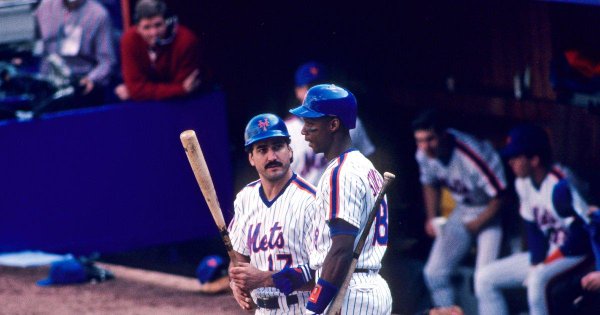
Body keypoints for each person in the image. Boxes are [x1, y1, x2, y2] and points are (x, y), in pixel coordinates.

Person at [288, 84, 392, 314]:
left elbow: (341, 249)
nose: (304, 131)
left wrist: (314, 307)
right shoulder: (366, 167)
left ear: (333, 125)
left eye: (311, 124)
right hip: (368, 286)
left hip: (349, 290)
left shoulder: (340, 173)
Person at [474, 124, 591, 315]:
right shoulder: (523, 183)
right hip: (553, 250)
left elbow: (581, 236)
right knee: (484, 277)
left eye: (516, 157)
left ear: (535, 159)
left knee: (536, 281)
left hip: (578, 253)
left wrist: (544, 264)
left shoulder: (561, 183)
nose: (510, 162)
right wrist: (537, 260)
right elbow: (533, 228)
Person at [411, 109, 507, 308]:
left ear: (443, 134)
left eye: (430, 139)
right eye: (419, 140)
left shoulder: (471, 154)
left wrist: (478, 223)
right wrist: (431, 216)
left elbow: (501, 196)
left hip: (490, 212)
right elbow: (429, 183)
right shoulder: (423, 153)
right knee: (434, 273)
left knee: (484, 281)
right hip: (463, 209)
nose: (425, 147)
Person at [227, 113, 317, 314]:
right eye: (262, 149)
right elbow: (238, 259)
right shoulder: (245, 198)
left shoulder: (311, 201)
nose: (272, 157)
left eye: (277, 147)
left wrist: (264, 278)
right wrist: (236, 282)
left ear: (290, 151)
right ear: (251, 158)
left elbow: (325, 274)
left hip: (304, 309)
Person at [285, 61, 375, 185]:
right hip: (303, 202)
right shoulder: (286, 130)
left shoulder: (350, 122)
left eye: (321, 86)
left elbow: (368, 166)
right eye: (310, 87)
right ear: (298, 91)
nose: (317, 94)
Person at [35, 0, 116, 107]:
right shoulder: (44, 7)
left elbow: (107, 62)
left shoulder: (99, 15)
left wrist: (91, 79)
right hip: (48, 85)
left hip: (80, 86)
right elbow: (36, 47)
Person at [115, 0, 201, 101]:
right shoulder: (129, 40)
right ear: (137, 28)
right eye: (146, 27)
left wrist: (140, 91)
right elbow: (136, 89)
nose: (153, 33)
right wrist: (179, 89)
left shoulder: (186, 40)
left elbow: (186, 86)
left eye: (158, 25)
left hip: (183, 104)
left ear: (167, 23)